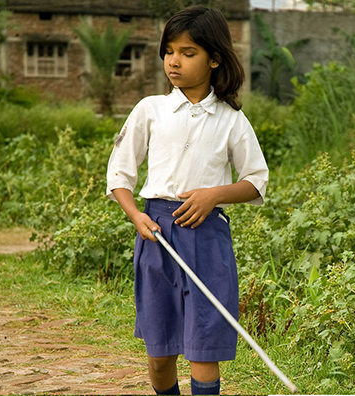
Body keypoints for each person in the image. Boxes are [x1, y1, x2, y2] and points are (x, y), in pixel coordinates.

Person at [104, 5, 268, 395]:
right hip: (157, 235)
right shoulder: (151, 110)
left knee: (202, 348)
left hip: (207, 240)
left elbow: (257, 181)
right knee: (160, 355)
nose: (174, 61)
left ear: (214, 58)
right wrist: (135, 217)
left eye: (188, 53)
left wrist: (216, 194)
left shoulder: (231, 119)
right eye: (169, 51)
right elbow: (119, 175)